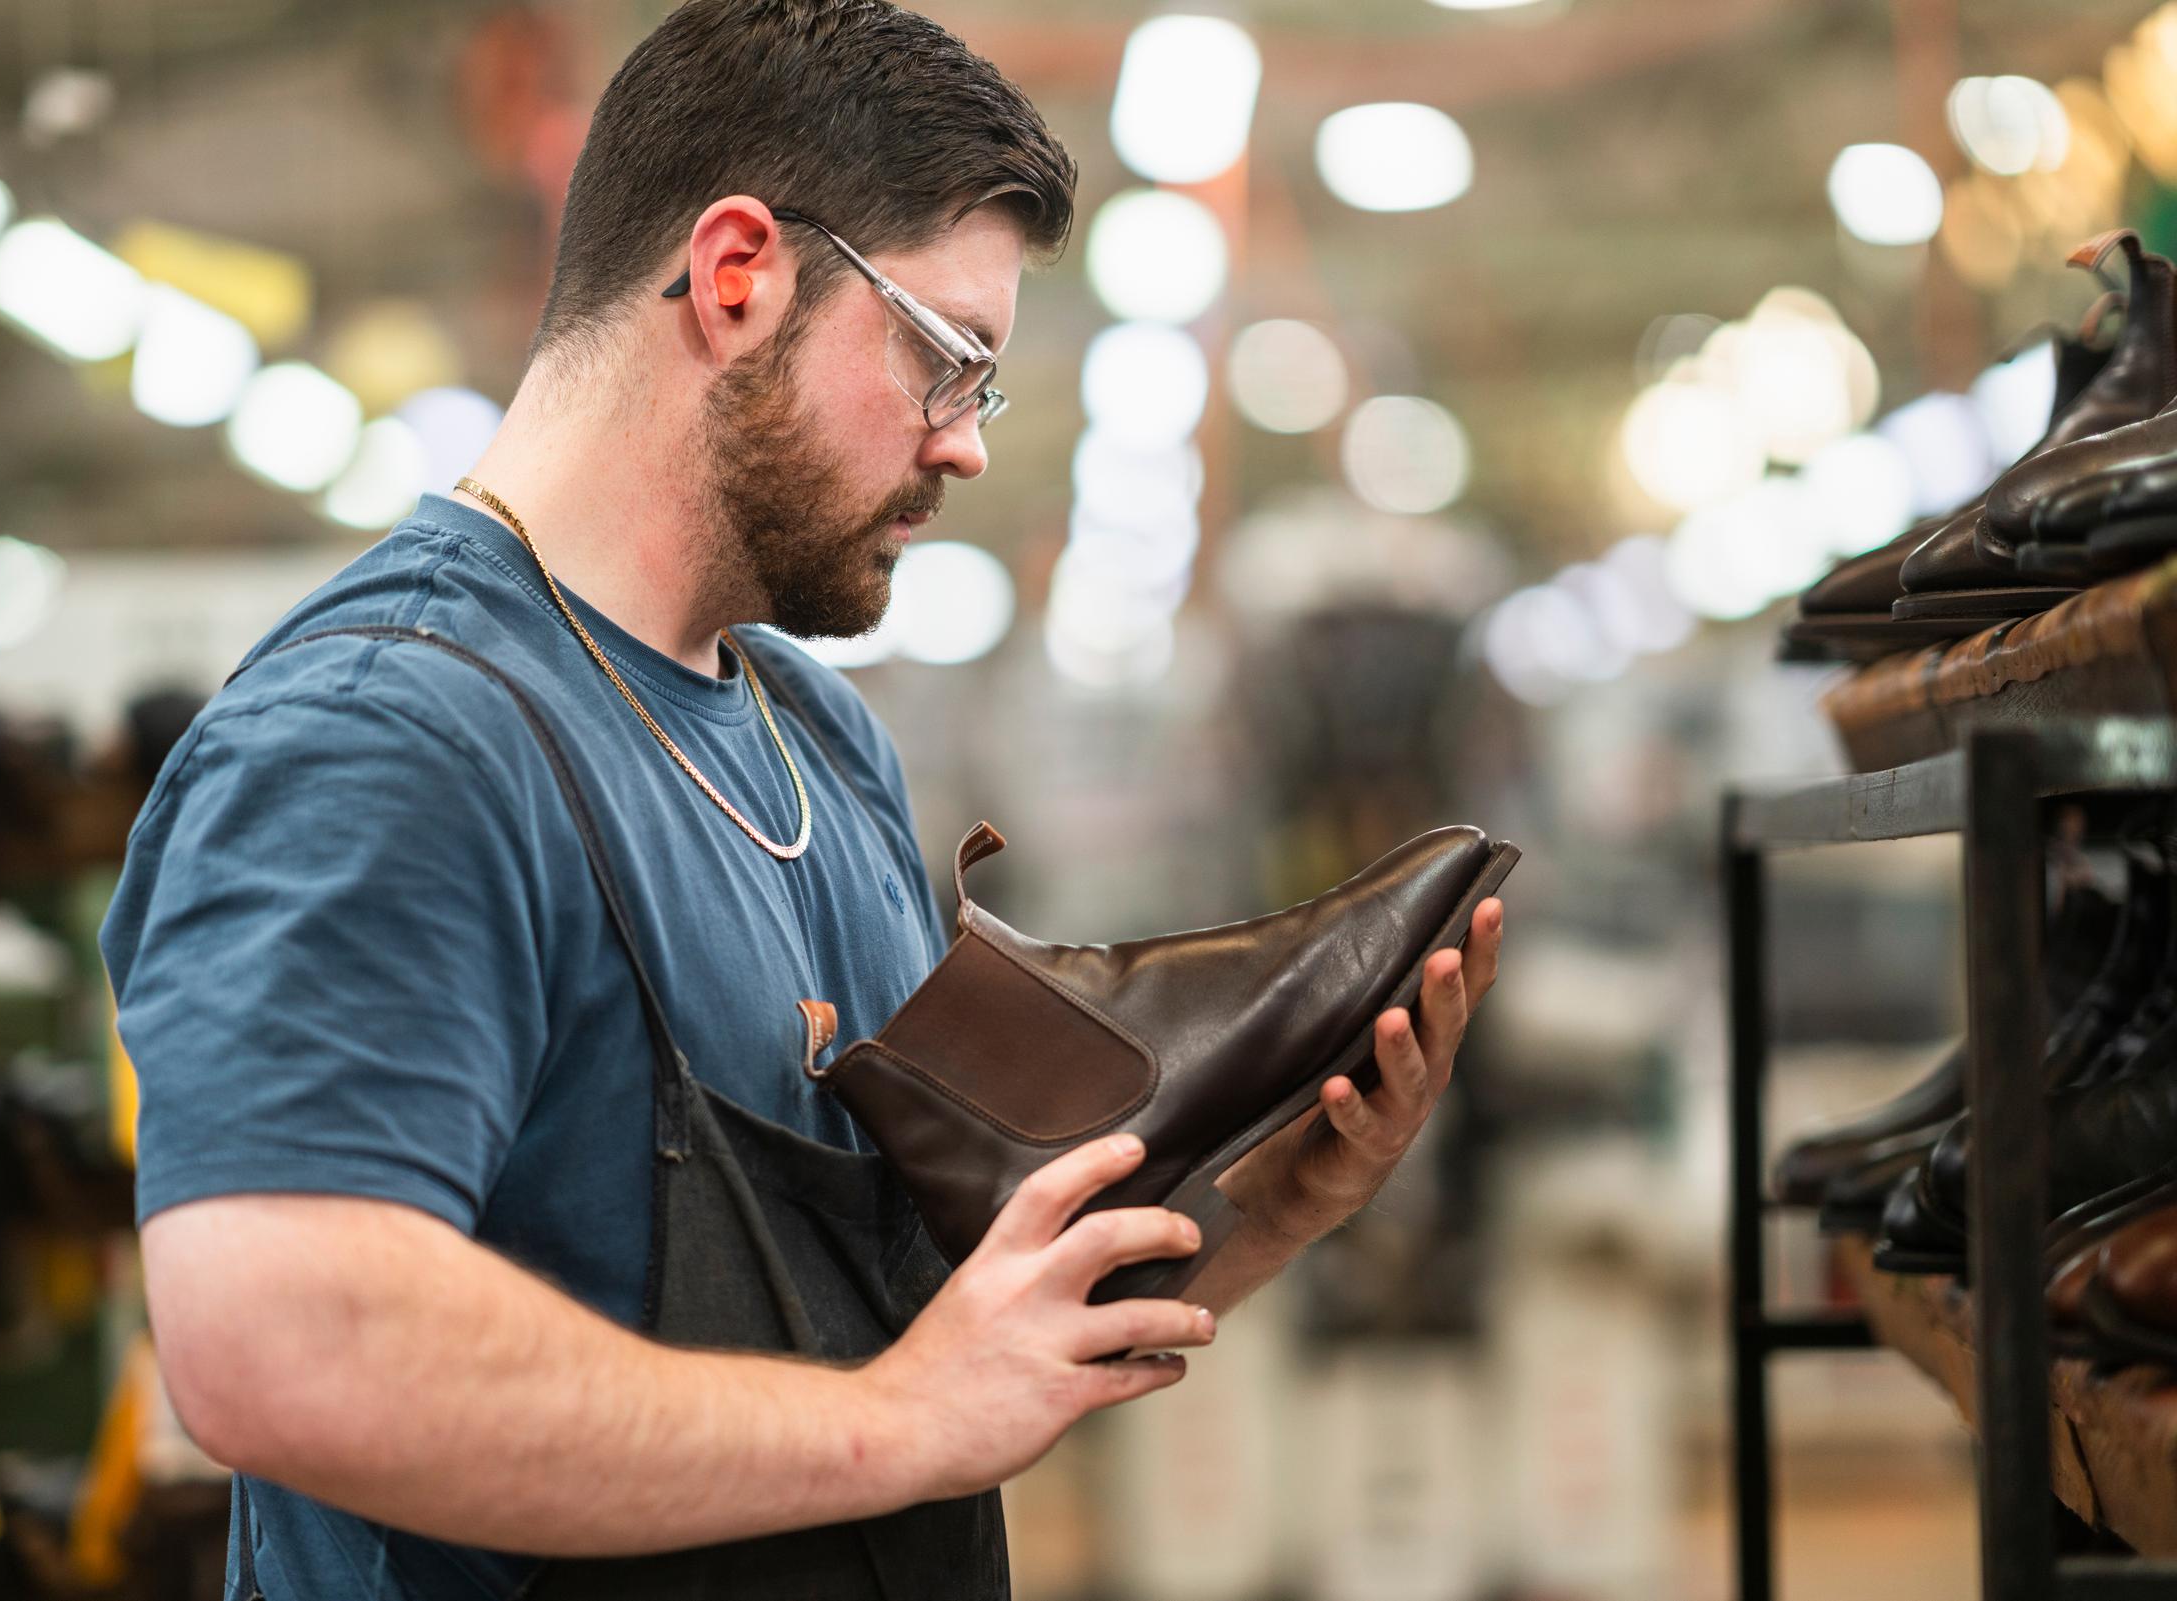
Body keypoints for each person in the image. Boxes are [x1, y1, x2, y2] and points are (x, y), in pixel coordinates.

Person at [101, 1, 1507, 1596]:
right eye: (946, 359)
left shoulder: (817, 744)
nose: (967, 445)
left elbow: (943, 1320)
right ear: (737, 275)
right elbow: (275, 1344)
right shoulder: (391, 741)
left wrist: (1272, 1208)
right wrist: (899, 1421)